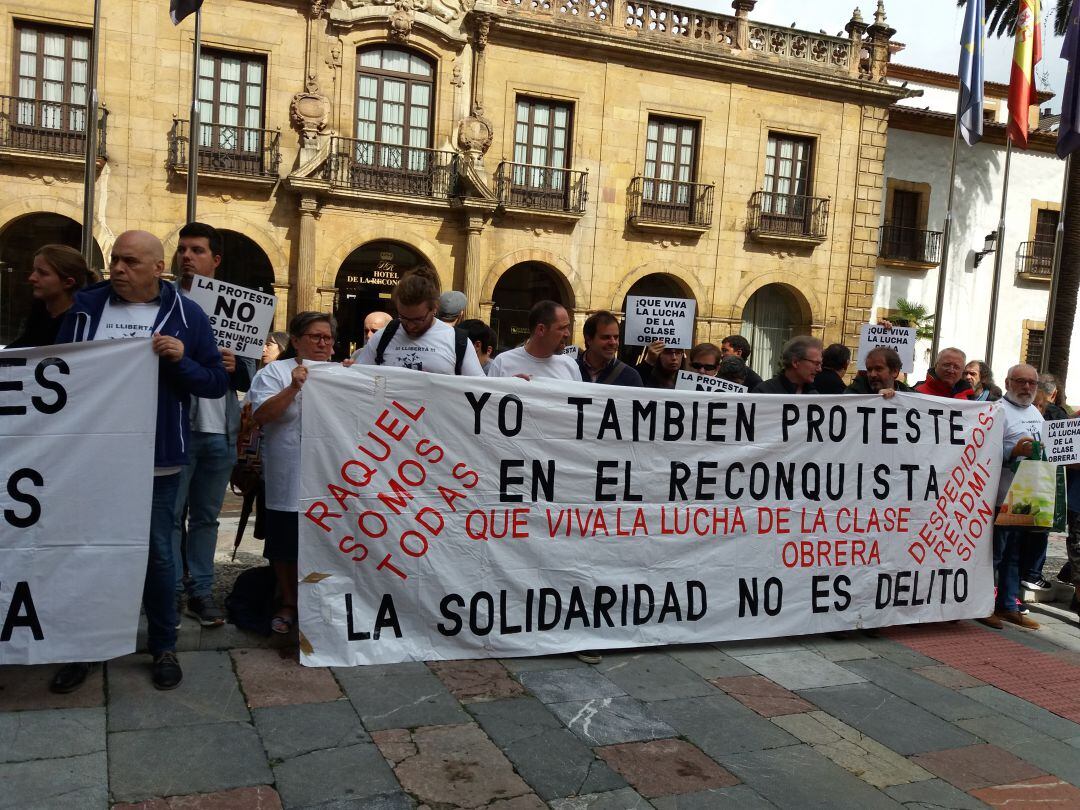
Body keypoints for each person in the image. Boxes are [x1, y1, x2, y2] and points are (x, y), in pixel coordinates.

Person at [54, 230, 228, 691]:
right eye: (115, 260)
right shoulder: (84, 309)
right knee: (89, 550)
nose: (118, 269)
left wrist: (181, 361)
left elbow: (214, 383)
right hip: (90, 457)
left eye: (130, 261)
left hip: (158, 458)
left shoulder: (185, 315)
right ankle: (86, 645)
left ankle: (163, 644)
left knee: (157, 554)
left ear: (157, 268)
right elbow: (58, 369)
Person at [171, 222, 256, 627]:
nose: (187, 256)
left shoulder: (239, 307)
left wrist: (235, 365)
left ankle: (201, 591)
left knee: (205, 517)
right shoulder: (166, 301)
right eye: (183, 249)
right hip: (177, 428)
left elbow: (249, 377)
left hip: (219, 430)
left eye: (197, 250)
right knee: (170, 516)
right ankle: (168, 589)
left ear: (215, 259)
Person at [248, 312, 337, 634]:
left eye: (327, 337)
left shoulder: (342, 373)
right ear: (296, 340)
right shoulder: (275, 372)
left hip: (331, 481)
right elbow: (262, 415)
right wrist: (294, 388)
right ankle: (289, 602)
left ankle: (321, 602)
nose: (322, 342)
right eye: (315, 336)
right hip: (288, 477)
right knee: (284, 546)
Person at [979, 364, 1044, 631]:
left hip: (1026, 495)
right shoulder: (996, 410)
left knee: (1014, 554)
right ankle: (983, 605)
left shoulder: (1035, 412)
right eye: (1021, 381)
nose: (1027, 387)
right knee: (994, 554)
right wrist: (1012, 450)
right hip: (999, 495)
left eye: (1032, 383)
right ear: (1008, 382)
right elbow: (984, 449)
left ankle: (1008, 605)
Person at [355, 268, 484, 376]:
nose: (410, 325)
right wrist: (349, 372)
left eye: (418, 319)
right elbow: (359, 380)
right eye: (403, 318)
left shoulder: (458, 341)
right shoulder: (383, 337)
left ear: (434, 309)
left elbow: (479, 389)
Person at [8, 245, 90, 348]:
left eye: (42, 273)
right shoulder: (38, 311)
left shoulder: (80, 323)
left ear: (68, 283)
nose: (32, 278)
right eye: (34, 270)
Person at [487, 300, 579, 380]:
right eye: (562, 328)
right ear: (541, 329)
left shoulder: (570, 366)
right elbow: (490, 399)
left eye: (568, 328)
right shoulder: (502, 363)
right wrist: (510, 388)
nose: (568, 334)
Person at [576, 311, 641, 386]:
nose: (613, 342)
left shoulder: (631, 377)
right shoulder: (568, 369)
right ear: (589, 339)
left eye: (616, 337)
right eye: (606, 337)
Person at [752, 335, 822, 394]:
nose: (819, 369)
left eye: (820, 364)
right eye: (816, 363)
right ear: (795, 362)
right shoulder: (764, 392)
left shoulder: (814, 395)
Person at [844, 346, 911, 396]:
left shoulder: (911, 397)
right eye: (869, 370)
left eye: (879, 369)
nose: (872, 374)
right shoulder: (852, 394)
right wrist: (876, 400)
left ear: (894, 372)